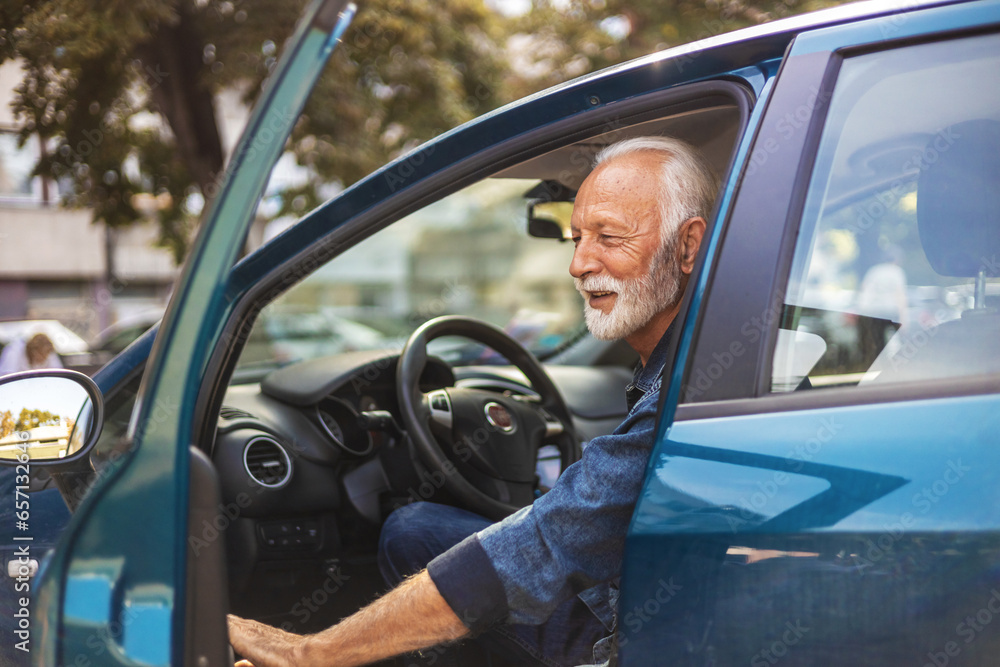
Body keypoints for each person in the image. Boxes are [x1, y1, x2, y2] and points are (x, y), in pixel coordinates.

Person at [228, 135, 718, 667]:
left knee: (423, 536)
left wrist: (310, 652)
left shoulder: (689, 391)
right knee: (414, 529)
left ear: (688, 246)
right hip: (656, 600)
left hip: (632, 639)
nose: (579, 264)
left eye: (610, 236)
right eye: (576, 238)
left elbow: (542, 547)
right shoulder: (715, 354)